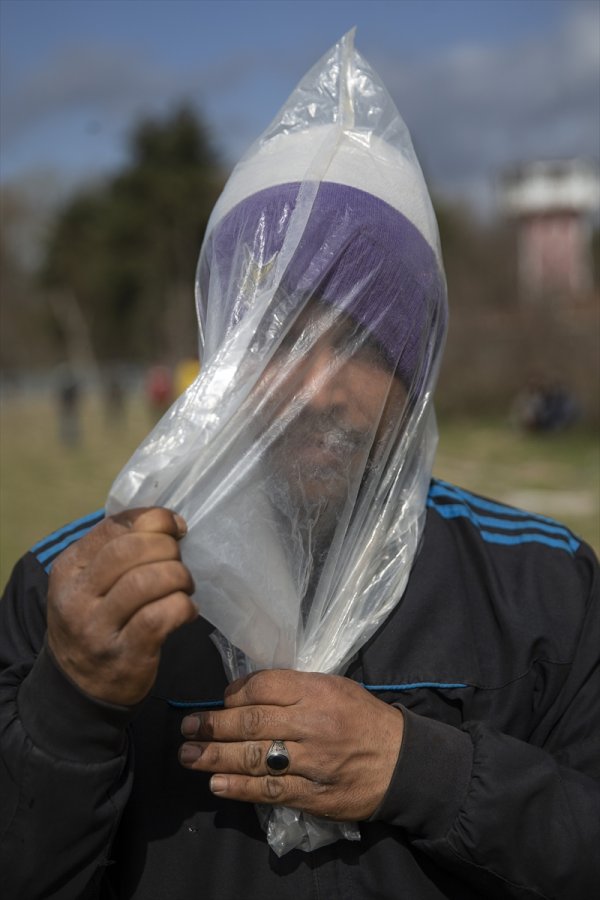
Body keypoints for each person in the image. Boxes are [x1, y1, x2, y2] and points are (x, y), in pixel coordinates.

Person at [1, 33, 598, 900]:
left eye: (363, 342)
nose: (321, 390)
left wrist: (422, 769)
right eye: (278, 337)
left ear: (419, 362)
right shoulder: (79, 599)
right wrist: (74, 704)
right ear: (224, 345)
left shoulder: (539, 590)